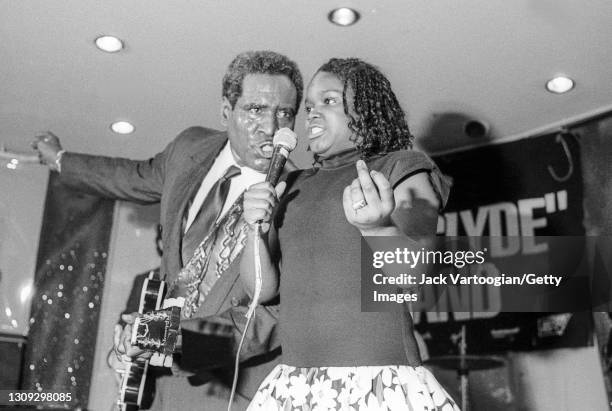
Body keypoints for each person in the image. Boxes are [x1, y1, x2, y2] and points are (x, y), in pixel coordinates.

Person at [32, 50, 303, 410]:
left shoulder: (299, 196)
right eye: (255, 110)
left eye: (283, 113)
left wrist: (171, 337)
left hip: (228, 395)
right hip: (156, 390)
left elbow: (274, 319)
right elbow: (132, 175)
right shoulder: (190, 147)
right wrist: (61, 160)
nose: (271, 128)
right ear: (226, 111)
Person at [240, 58, 460, 410]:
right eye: (308, 106)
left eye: (328, 101)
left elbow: (418, 276)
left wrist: (376, 227)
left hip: (374, 381)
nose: (311, 113)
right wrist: (254, 229)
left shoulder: (400, 166)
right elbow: (261, 289)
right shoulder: (291, 185)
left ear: (367, 111)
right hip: (294, 386)